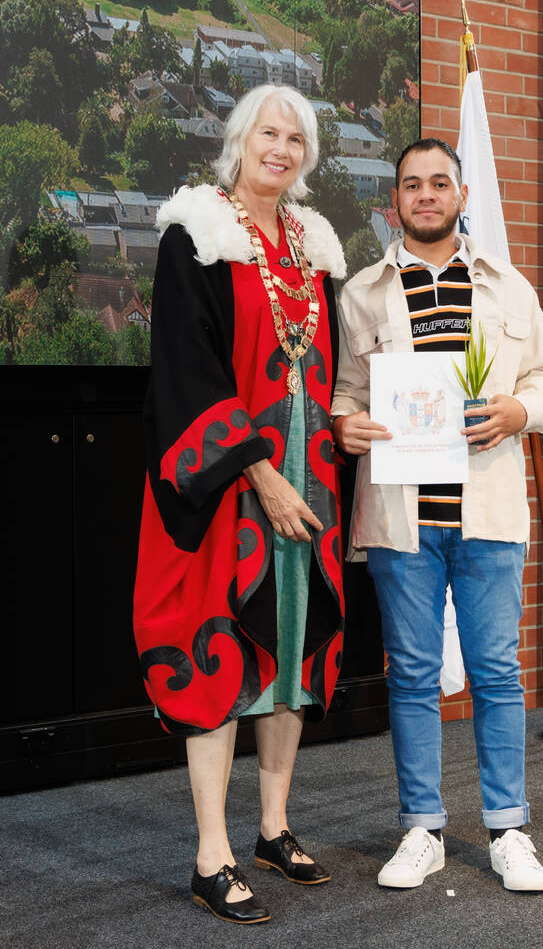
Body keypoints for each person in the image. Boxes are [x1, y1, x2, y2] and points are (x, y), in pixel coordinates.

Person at [331, 138, 543, 893]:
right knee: (408, 677)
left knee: (497, 675)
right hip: (402, 517)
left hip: (488, 514)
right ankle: (421, 829)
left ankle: (507, 829)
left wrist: (517, 408)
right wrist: (345, 426)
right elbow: (343, 396)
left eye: (440, 183)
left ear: (461, 196)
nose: (426, 195)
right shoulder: (361, 294)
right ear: (394, 201)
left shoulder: (506, 288)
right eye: (412, 185)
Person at [134, 84, 346, 924]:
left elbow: (318, 363)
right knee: (222, 652)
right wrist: (261, 472)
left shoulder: (310, 244)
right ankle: (210, 853)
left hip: (310, 472)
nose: (282, 148)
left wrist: (345, 424)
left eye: (297, 137)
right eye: (270, 131)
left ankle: (273, 827)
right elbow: (185, 372)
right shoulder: (199, 234)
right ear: (239, 138)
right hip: (229, 479)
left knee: (290, 647)